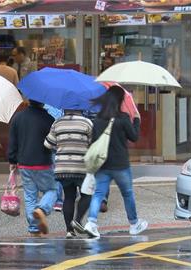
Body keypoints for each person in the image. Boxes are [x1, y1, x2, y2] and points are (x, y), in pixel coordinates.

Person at [84, 86, 148, 238]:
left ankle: (91, 223)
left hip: (102, 164)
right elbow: (134, 137)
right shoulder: (123, 118)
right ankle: (134, 224)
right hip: (120, 165)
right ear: (120, 101)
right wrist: (137, 119)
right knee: (127, 193)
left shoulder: (97, 120)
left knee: (98, 194)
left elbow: (92, 141)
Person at [8, 100, 56, 237]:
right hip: (43, 162)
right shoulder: (49, 119)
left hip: (24, 163)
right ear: (43, 102)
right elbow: (52, 142)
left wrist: (12, 159)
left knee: (30, 196)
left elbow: (13, 141)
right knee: (52, 190)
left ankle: (34, 228)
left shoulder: (18, 117)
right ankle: (42, 209)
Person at [44, 109, 93, 239]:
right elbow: (93, 143)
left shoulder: (57, 123)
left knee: (69, 197)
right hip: (82, 167)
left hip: (63, 167)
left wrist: (61, 145)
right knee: (87, 194)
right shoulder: (87, 122)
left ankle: (69, 230)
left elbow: (48, 144)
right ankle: (77, 220)